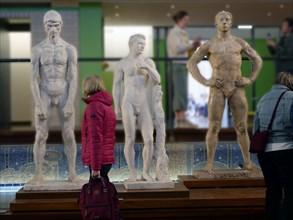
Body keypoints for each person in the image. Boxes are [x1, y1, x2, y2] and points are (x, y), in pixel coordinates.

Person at [187, 11, 263, 172]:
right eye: (221, 19)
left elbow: (257, 59)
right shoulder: (210, 44)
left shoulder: (239, 43)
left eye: (227, 19)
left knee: (242, 127)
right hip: (218, 88)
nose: (224, 22)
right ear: (216, 24)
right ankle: (210, 163)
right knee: (214, 126)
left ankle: (248, 162)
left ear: (231, 23)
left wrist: (250, 79)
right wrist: (206, 81)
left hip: (237, 87)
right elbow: (191, 63)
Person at [30, 10, 78, 184]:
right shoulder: (38, 50)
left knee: (69, 135)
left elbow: (73, 78)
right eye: (49, 25)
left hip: (63, 91)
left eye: (56, 25)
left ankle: (72, 173)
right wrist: (38, 104)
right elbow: (34, 79)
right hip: (44, 91)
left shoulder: (69, 49)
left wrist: (70, 103)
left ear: (61, 25)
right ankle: (38, 174)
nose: (53, 28)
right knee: (41, 135)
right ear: (44, 26)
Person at [113, 34, 161, 182]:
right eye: (139, 43)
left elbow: (157, 80)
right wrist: (117, 106)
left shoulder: (148, 62)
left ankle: (145, 172)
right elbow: (116, 86)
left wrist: (146, 67)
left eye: (144, 43)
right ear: (131, 44)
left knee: (149, 139)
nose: (142, 46)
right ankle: (132, 173)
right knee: (129, 139)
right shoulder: (122, 63)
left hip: (144, 103)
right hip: (128, 102)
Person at [253, 72, 293, 220]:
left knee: (272, 191)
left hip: (264, 153)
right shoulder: (291, 97)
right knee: (290, 192)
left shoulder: (263, 99)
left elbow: (255, 128)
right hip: (286, 149)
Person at [167, 10, 201, 128]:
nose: (187, 22)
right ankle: (179, 118)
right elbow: (176, 48)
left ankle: (182, 117)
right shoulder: (174, 32)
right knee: (179, 90)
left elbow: (184, 49)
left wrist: (194, 46)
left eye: (188, 20)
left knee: (183, 90)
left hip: (182, 63)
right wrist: (192, 45)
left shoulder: (183, 33)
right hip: (176, 63)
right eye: (185, 20)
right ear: (179, 20)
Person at [81, 75, 116, 182]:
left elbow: (95, 138)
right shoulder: (106, 105)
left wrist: (96, 167)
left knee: (96, 196)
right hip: (105, 158)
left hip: (99, 162)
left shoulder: (94, 106)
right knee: (103, 193)